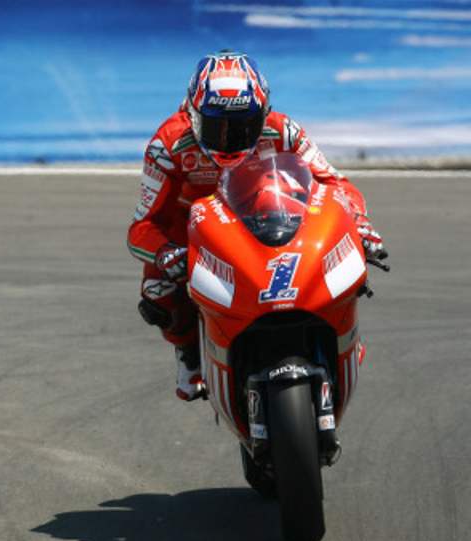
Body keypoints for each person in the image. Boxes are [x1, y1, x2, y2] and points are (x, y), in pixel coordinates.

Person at [127, 50, 388, 400]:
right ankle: (190, 353)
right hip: (195, 233)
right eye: (215, 125)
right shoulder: (168, 145)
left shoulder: (285, 131)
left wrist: (360, 225)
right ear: (192, 115)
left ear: (262, 115)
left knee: (344, 254)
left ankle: (336, 333)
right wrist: (164, 254)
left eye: (242, 125)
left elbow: (335, 185)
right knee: (158, 293)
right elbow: (143, 226)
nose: (229, 138)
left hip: (269, 216)